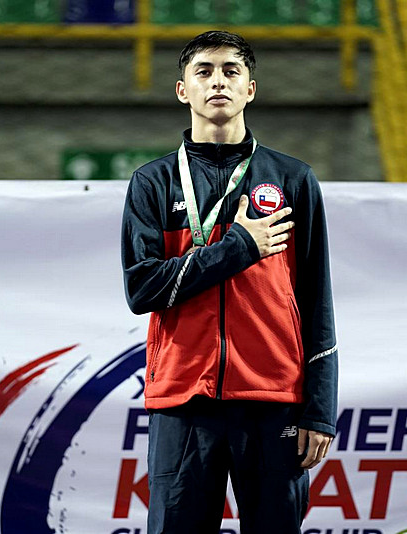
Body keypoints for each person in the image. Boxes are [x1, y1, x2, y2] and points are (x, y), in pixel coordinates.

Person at [121, 30, 338, 534]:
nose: (217, 81)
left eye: (230, 71)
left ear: (250, 89)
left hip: (274, 399)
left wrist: (319, 410)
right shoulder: (153, 183)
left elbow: (316, 300)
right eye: (204, 71)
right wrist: (240, 246)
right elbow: (142, 289)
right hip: (183, 400)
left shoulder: (293, 179)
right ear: (183, 90)